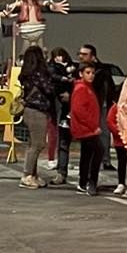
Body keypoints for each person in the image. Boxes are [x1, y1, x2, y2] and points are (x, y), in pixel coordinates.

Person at [17, 44, 55, 189]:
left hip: (28, 110)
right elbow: (49, 89)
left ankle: (33, 175)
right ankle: (27, 175)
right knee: (38, 144)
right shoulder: (39, 74)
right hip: (38, 110)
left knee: (33, 143)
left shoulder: (26, 74)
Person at [69, 61, 105, 196]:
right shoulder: (82, 88)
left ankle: (83, 182)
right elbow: (79, 111)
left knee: (87, 154)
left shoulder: (86, 87)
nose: (91, 76)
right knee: (98, 151)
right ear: (81, 74)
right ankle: (91, 182)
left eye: (92, 73)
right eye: (88, 73)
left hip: (87, 128)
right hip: (86, 129)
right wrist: (93, 126)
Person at [48, 47, 76, 183]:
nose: (59, 58)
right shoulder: (53, 68)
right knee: (62, 140)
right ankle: (61, 171)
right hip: (62, 105)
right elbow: (53, 77)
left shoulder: (74, 68)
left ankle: (63, 171)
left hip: (72, 106)